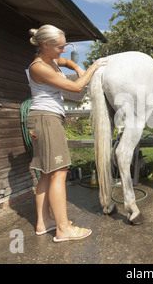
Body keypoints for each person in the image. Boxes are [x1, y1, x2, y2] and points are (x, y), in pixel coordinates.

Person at [27, 24, 107, 242]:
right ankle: (63, 229)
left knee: (46, 172)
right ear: (45, 45)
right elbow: (76, 88)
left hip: (44, 119)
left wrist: (75, 66)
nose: (63, 51)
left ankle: (44, 222)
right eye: (60, 47)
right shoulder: (39, 67)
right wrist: (92, 67)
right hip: (46, 120)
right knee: (60, 172)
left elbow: (66, 62)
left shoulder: (49, 60)